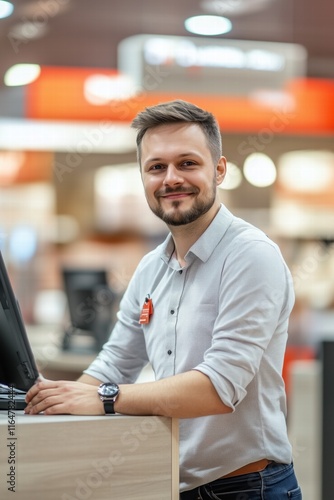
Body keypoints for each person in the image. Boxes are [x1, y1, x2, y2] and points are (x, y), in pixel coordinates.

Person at [25, 100, 302, 499]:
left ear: (219, 169)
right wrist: (58, 403)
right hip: (172, 482)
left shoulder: (251, 255)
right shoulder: (150, 269)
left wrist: (102, 399)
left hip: (247, 488)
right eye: (156, 167)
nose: (171, 178)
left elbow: (218, 387)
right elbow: (116, 363)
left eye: (187, 163)